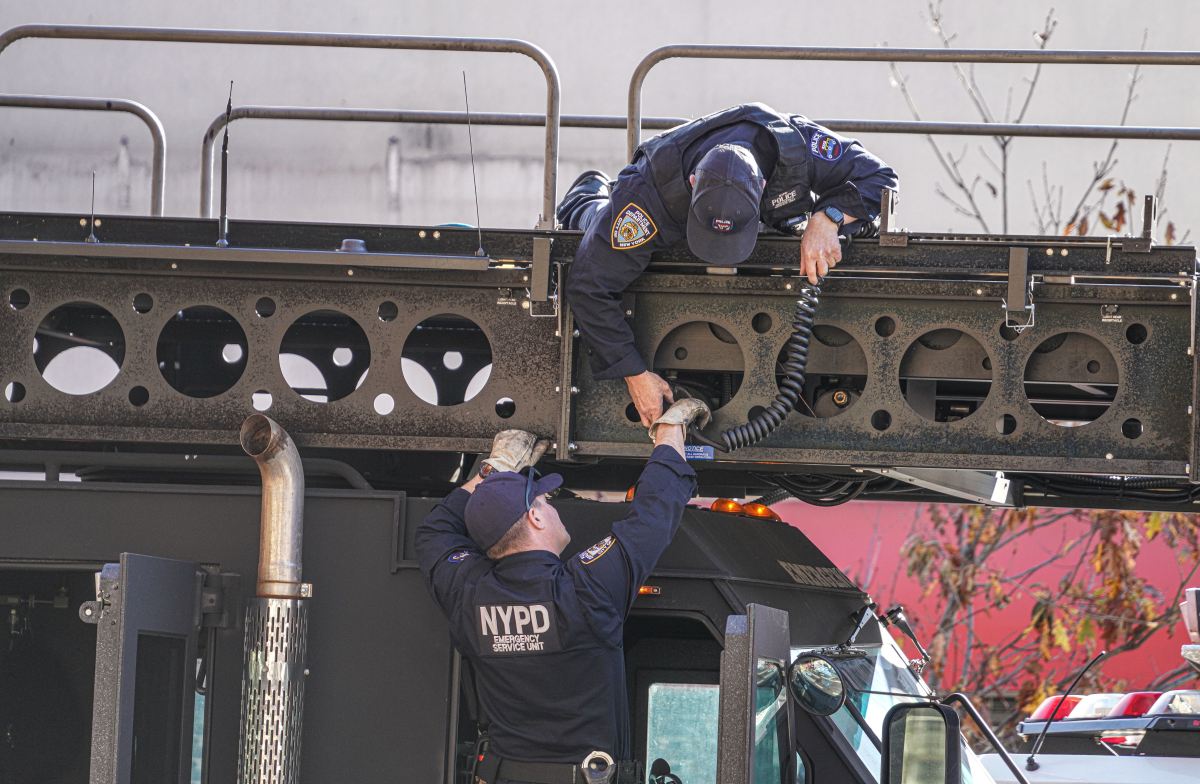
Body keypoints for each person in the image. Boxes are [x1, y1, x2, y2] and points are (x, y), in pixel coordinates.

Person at [415, 398, 711, 784]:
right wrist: (669, 426)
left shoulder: (468, 590)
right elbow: (652, 515)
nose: (553, 506)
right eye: (545, 499)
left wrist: (496, 468)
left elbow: (434, 532)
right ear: (535, 517)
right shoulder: (585, 587)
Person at [559, 102, 899, 428]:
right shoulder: (646, 192)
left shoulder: (797, 146)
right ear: (693, 183)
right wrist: (635, 375)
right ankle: (588, 191)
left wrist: (829, 217)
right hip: (664, 212)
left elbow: (881, 177)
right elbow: (589, 286)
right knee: (593, 223)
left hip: (763, 222)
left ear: (763, 186)